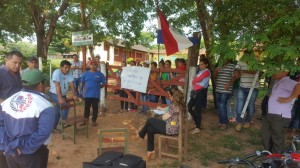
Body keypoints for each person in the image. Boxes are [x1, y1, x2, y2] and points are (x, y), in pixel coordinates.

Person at [0, 69, 55, 168]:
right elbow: (43, 132)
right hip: (33, 153)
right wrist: (24, 148)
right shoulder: (45, 105)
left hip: (11, 152)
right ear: (40, 85)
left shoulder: (7, 101)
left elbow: (1, 125)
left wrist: (9, 145)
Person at [138, 86, 185, 159]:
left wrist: (160, 115)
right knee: (150, 129)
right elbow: (168, 112)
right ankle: (151, 151)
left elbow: (164, 118)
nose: (169, 97)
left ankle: (140, 136)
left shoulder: (175, 107)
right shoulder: (178, 105)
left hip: (170, 129)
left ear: (173, 96)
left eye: (170, 95)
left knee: (150, 120)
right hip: (173, 126)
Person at [261, 71, 299, 153]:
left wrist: (289, 98)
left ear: (285, 72)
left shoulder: (287, 80)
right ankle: (270, 154)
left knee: (277, 139)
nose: (274, 72)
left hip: (280, 115)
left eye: (278, 71)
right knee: (265, 134)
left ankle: (277, 160)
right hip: (271, 113)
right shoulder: (279, 81)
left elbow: (298, 87)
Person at [0, 51, 23, 168]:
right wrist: (6, 104)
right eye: (15, 62)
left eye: (19, 63)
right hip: (2, 115)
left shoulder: (18, 73)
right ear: (6, 60)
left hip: (15, 114)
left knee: (13, 140)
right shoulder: (1, 72)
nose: (17, 65)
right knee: (3, 145)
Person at [234, 50, 260, 131]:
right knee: (239, 105)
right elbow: (236, 69)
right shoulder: (240, 62)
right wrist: (237, 72)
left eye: (247, 55)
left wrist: (243, 71)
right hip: (242, 87)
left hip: (254, 88)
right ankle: (239, 122)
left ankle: (248, 121)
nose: (245, 57)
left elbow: (255, 71)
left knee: (251, 105)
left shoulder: (256, 62)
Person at [48, 60, 77, 131]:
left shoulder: (69, 72)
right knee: (66, 105)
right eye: (66, 67)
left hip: (63, 95)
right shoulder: (56, 72)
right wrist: (60, 98)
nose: (67, 69)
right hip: (54, 94)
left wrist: (74, 95)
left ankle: (53, 127)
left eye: (69, 68)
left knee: (57, 111)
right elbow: (57, 86)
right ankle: (63, 123)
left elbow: (72, 84)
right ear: (61, 67)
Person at [188, 58, 211, 134]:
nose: (200, 65)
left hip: (201, 92)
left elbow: (197, 80)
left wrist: (195, 80)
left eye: (202, 64)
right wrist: (195, 80)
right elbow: (196, 80)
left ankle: (197, 127)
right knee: (189, 107)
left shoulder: (207, 71)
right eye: (200, 64)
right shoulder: (201, 72)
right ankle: (197, 123)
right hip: (196, 91)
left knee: (197, 109)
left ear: (206, 65)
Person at [80, 60, 106, 126]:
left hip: (96, 95)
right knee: (86, 108)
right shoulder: (85, 74)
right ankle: (85, 121)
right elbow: (82, 83)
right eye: (91, 64)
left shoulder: (100, 74)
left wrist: (98, 86)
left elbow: (104, 83)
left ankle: (94, 121)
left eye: (95, 65)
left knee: (95, 108)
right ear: (89, 65)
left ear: (97, 66)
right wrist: (82, 93)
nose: (93, 66)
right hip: (87, 94)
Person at [214, 60, 235, 129]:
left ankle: (224, 123)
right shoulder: (220, 65)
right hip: (218, 89)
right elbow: (214, 76)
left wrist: (229, 84)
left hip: (226, 90)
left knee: (222, 105)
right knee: (219, 106)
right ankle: (221, 121)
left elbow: (234, 77)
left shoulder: (232, 66)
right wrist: (216, 71)